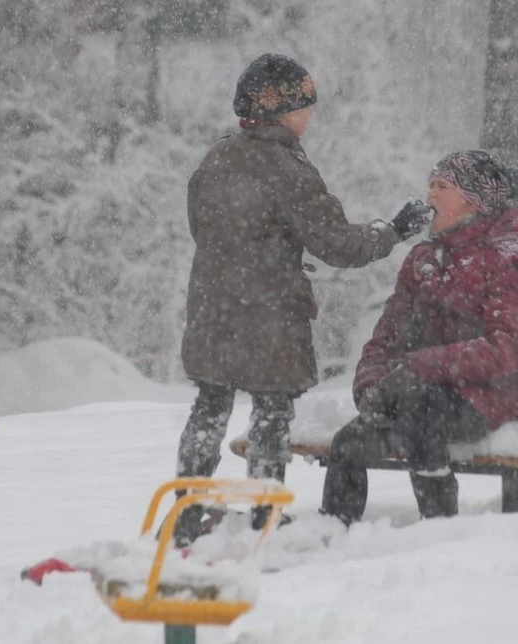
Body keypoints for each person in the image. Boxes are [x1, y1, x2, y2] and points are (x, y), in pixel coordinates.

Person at [174, 53, 433, 545]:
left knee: (209, 408)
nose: (310, 116)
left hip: (211, 306)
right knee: (271, 414)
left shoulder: (216, 158)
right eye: (305, 106)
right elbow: (337, 244)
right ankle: (264, 514)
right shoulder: (287, 168)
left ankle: (186, 511)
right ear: (282, 109)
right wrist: (394, 230)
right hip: (270, 314)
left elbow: (201, 227)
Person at [320, 150, 518, 524]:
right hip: (426, 386)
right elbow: (386, 336)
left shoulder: (513, 259)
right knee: (349, 441)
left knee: (422, 413)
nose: (430, 194)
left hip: (503, 388)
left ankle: (439, 528)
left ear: (473, 200)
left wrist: (419, 367)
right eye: (430, 184)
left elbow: (505, 350)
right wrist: (371, 386)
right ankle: (332, 532)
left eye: (442, 186)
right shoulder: (423, 259)